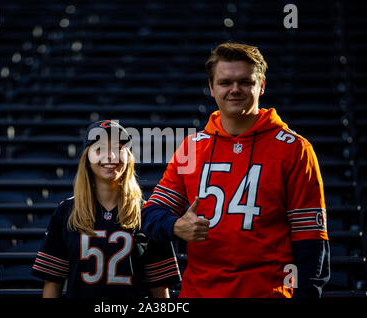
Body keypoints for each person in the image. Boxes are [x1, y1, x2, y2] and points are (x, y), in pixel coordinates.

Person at [141, 42, 330, 298]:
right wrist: (175, 226)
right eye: (225, 82)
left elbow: (310, 240)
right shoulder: (192, 147)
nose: (235, 90)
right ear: (211, 87)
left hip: (267, 293)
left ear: (261, 85)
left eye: (245, 82)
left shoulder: (294, 149)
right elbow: (151, 214)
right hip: (199, 293)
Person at [32, 120, 181, 298]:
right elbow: (53, 283)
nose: (110, 156)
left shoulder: (148, 213)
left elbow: (160, 290)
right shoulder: (66, 212)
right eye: (100, 149)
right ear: (87, 158)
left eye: (118, 148)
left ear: (128, 157)